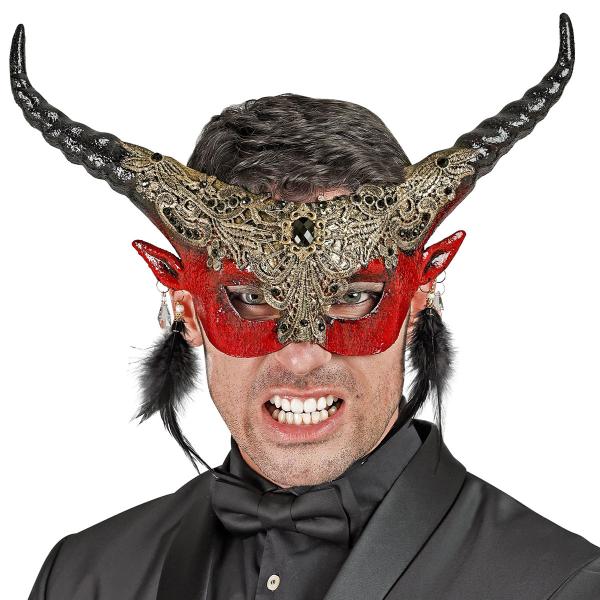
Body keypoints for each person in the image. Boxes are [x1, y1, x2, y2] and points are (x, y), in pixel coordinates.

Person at [11, 13, 600, 600]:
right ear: (186, 310)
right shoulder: (82, 578)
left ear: (418, 303)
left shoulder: (560, 586)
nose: (300, 357)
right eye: (252, 298)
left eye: (351, 296)